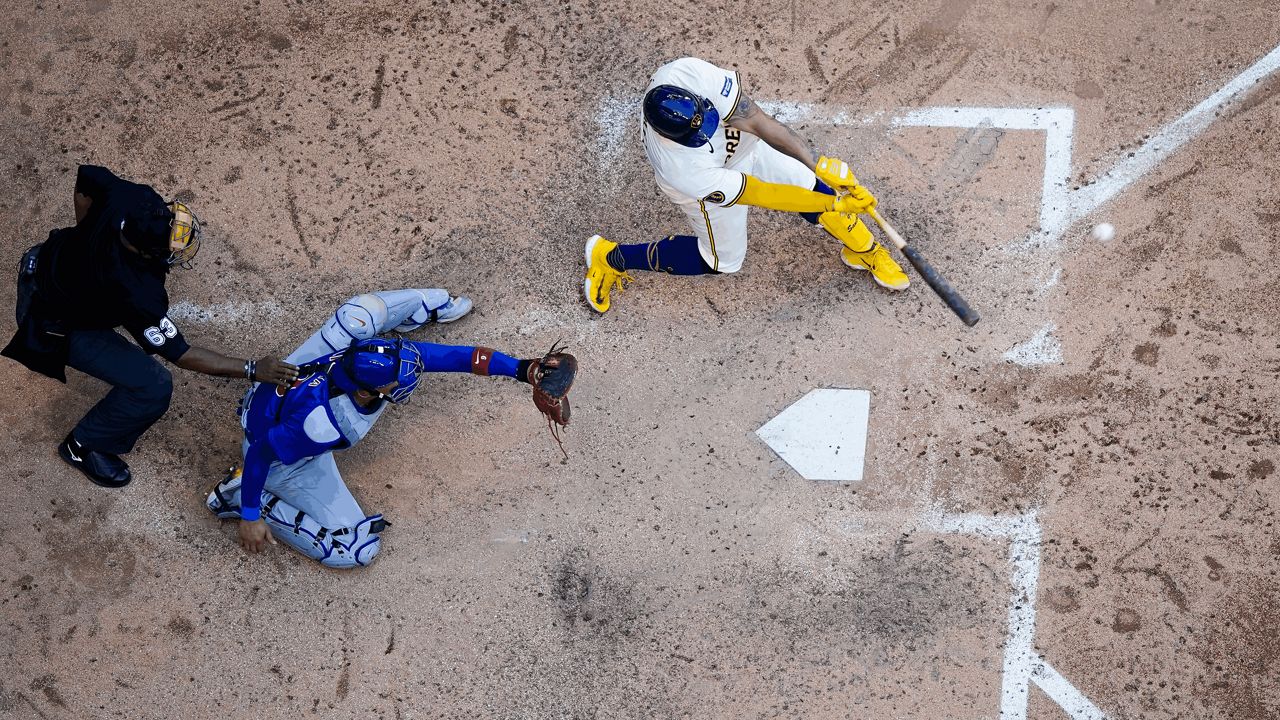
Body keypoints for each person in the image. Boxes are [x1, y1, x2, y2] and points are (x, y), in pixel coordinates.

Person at [205, 289, 576, 568]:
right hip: (282, 459)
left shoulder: (365, 354)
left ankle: (430, 305)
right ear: (368, 390)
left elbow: (456, 357)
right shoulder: (323, 425)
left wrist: (522, 369)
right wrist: (252, 516)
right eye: (399, 382)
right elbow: (260, 453)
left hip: (284, 388)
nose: (413, 374)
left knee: (358, 315)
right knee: (356, 550)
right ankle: (236, 498)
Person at [2, 165, 298, 488]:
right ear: (145, 252)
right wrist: (253, 368)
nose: (182, 244)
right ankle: (82, 446)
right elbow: (182, 354)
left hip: (42, 261)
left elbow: (87, 179)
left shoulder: (133, 199)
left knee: (102, 312)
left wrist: (84, 231)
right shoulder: (135, 291)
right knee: (154, 385)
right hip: (48, 321)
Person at [583, 56, 910, 313]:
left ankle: (865, 251)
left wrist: (818, 164)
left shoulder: (686, 74)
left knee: (810, 184)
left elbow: (755, 120)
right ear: (670, 138)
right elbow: (764, 195)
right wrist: (836, 203)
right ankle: (610, 257)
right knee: (720, 261)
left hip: (747, 149)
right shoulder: (680, 168)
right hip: (710, 188)